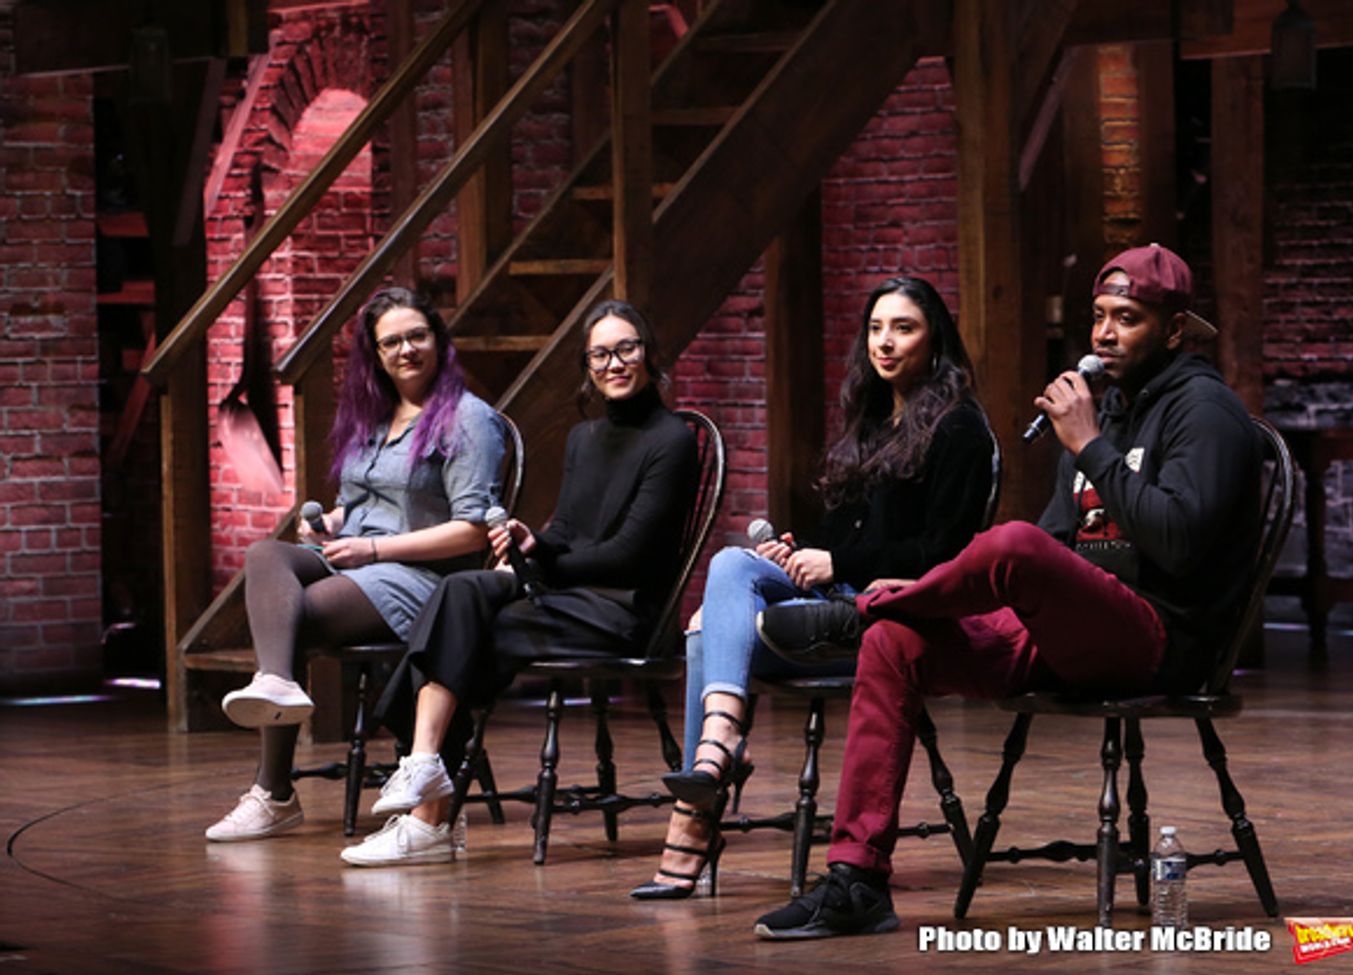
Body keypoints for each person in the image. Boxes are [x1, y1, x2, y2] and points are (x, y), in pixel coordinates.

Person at [750, 243, 1263, 939]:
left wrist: (1088, 447)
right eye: (1100, 316)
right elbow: (1055, 546)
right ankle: (858, 877)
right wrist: (949, 595)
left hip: (1163, 639)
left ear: (1174, 329)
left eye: (1129, 318)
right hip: (1067, 635)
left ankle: (865, 604)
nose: (1105, 334)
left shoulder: (1206, 412)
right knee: (895, 642)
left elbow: (1175, 540)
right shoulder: (1107, 413)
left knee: (1010, 542)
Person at [630, 277, 995, 899]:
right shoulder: (875, 420)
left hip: (888, 615)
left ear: (935, 340)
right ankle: (717, 751)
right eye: (876, 328)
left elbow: (944, 556)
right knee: (733, 568)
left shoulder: (959, 429)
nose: (884, 342)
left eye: (903, 328)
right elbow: (838, 534)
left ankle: (695, 820)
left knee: (708, 635)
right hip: (830, 601)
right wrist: (796, 554)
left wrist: (836, 560)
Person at [339, 298, 699, 867]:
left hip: (625, 612)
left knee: (461, 634)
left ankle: (429, 818)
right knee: (458, 595)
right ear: (587, 365)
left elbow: (630, 555)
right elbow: (572, 531)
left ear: (649, 355)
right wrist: (533, 541)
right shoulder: (584, 438)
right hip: (568, 596)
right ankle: (425, 767)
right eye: (600, 354)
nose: (614, 363)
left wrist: (542, 564)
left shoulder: (672, 438)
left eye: (625, 349)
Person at [206, 287, 506, 842]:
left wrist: (373, 548)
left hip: (421, 578)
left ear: (438, 341)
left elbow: (473, 530)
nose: (406, 349)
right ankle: (276, 684)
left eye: (417, 336)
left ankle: (273, 793)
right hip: (359, 559)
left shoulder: (468, 420)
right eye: (391, 341)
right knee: (265, 554)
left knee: (295, 615)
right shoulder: (373, 416)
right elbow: (367, 504)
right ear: (376, 354)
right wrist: (334, 525)